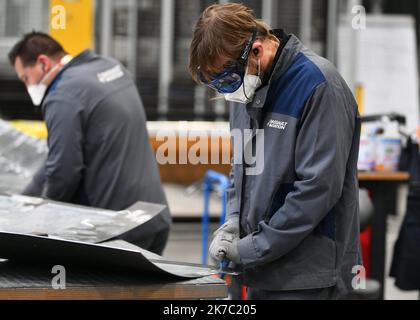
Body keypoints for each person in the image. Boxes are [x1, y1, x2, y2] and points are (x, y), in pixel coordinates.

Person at [189, 3, 361, 299]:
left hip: (307, 277)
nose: (228, 90)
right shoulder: (244, 87)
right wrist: (233, 221)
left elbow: (317, 190)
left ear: (256, 50)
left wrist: (251, 248)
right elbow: (241, 168)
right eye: (216, 84)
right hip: (259, 269)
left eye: (228, 80)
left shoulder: (319, 86)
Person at [8, 32, 171, 254]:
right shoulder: (109, 66)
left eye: (26, 78)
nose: (28, 87)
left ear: (43, 63)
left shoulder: (62, 96)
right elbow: (55, 160)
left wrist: (38, 223)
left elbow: (63, 172)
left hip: (117, 230)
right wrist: (22, 201)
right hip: (153, 215)